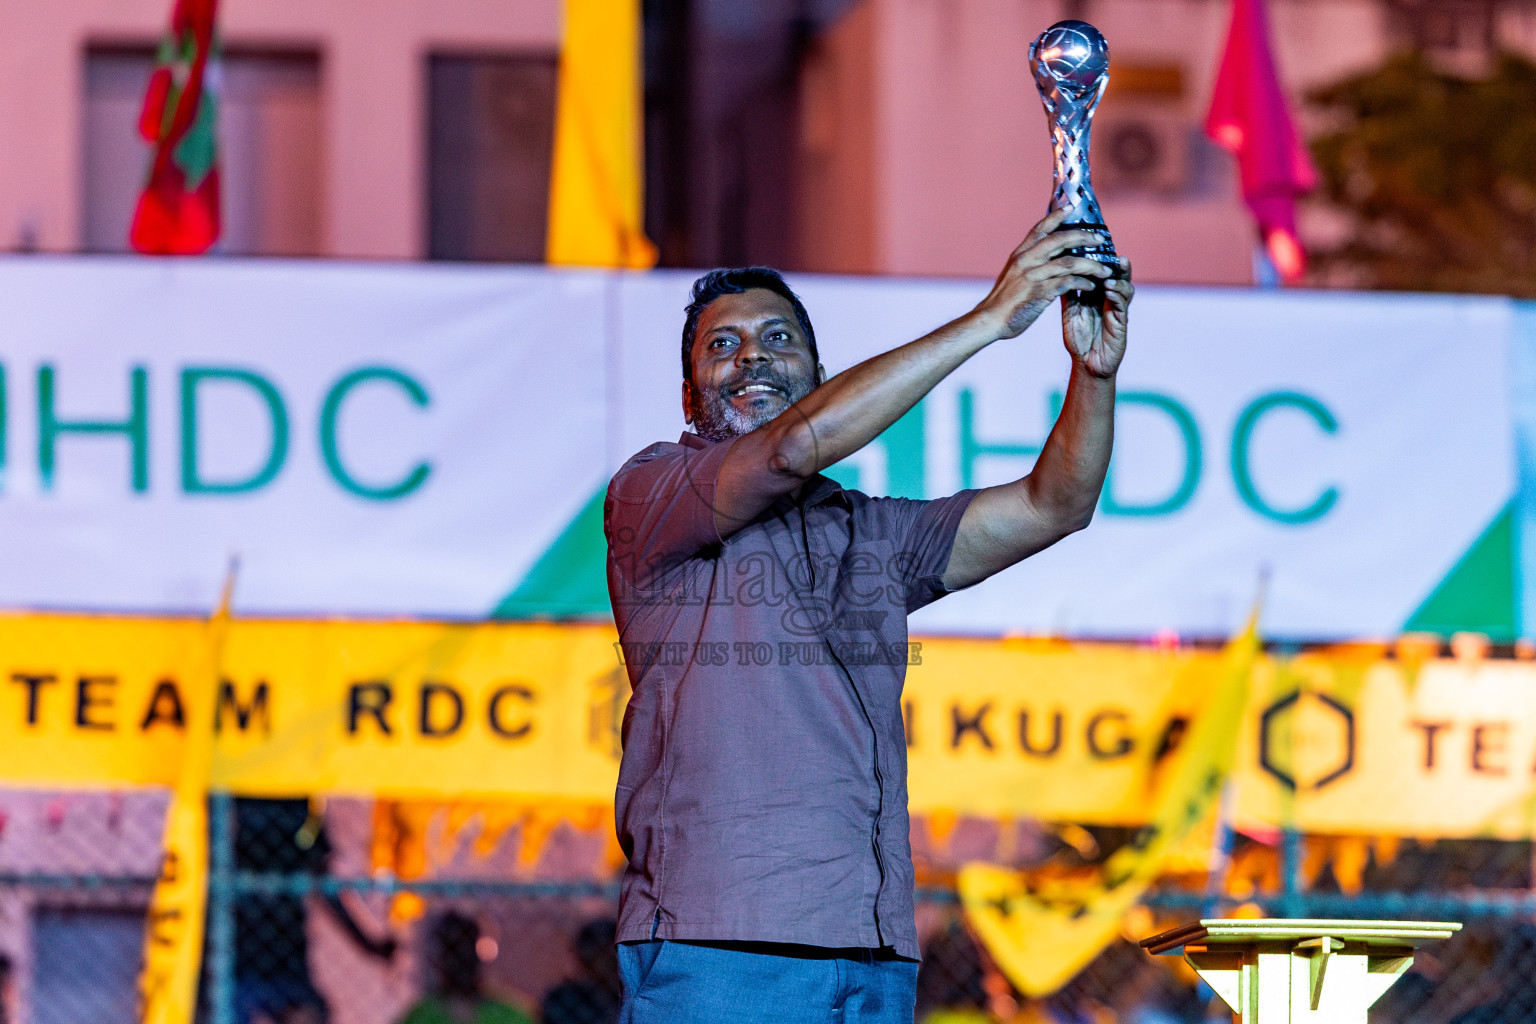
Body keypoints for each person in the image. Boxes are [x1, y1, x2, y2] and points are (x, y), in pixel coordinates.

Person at [604, 208, 1133, 1024]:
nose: (752, 357)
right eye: (723, 345)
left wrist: (1093, 376)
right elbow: (786, 451)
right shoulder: (652, 490)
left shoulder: (871, 531)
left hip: (875, 952)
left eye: (778, 340)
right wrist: (992, 320)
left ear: (820, 373)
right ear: (687, 392)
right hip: (718, 946)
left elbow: (1054, 503)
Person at [396, 912, 531, 1024]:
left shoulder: (509, 1015)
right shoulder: (422, 1016)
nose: (462, 961)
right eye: (453, 951)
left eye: (468, 951)